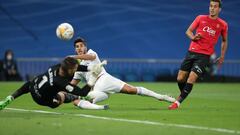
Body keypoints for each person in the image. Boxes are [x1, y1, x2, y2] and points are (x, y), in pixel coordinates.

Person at [70, 37, 176, 106]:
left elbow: (90, 57)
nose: (79, 48)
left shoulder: (91, 53)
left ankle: (161, 97)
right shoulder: (77, 68)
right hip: (97, 88)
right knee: (78, 101)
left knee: (131, 90)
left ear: (86, 46)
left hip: (104, 80)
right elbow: (72, 85)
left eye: (81, 45)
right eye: (77, 47)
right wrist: (61, 91)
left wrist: (73, 57)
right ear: (75, 49)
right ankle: (95, 106)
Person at [168, 0, 228, 110]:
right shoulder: (200, 18)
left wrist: (222, 56)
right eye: (210, 6)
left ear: (219, 9)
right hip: (191, 52)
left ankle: (177, 103)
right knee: (180, 78)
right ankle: (183, 95)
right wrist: (193, 37)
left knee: (191, 78)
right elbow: (188, 31)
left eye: (215, 6)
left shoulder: (223, 25)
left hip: (204, 56)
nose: (212, 8)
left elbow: (224, 41)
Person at [0, 57, 108, 110]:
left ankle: (10, 98)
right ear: (68, 70)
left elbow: (76, 67)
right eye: (74, 69)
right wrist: (92, 79)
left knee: (29, 84)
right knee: (63, 96)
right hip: (41, 99)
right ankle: (76, 99)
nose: (76, 69)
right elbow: (83, 92)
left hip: (34, 85)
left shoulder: (59, 67)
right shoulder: (61, 82)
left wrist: (90, 68)